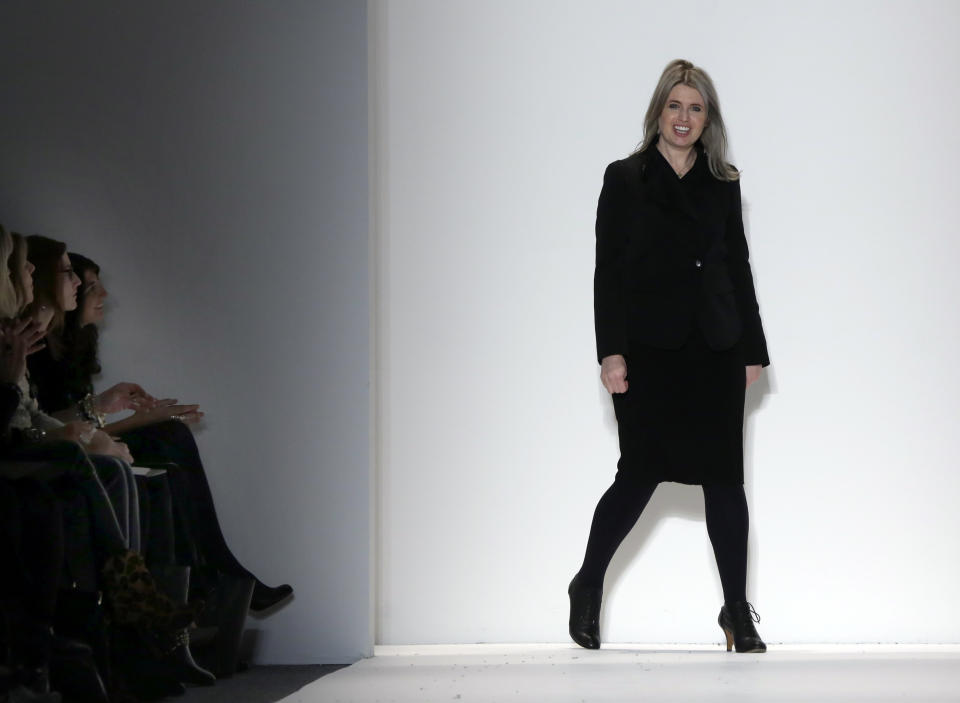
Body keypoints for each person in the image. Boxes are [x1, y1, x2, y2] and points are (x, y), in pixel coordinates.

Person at [569, 59, 770, 653]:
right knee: (637, 476)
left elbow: (738, 265)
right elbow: (609, 273)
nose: (684, 118)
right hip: (652, 351)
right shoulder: (625, 178)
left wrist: (753, 350)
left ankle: (736, 611)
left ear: (708, 118)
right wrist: (611, 353)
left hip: (714, 347)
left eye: (696, 107)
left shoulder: (723, 181)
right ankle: (588, 583)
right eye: (676, 105)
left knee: (726, 482)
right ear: (659, 110)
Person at [28, 252, 293, 613]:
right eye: (85, 283)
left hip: (73, 446)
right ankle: (211, 580)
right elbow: (58, 430)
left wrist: (140, 416)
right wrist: (141, 419)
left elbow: (76, 426)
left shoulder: (71, 346)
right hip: (60, 455)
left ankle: (208, 581)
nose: (98, 292)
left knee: (168, 439)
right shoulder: (37, 350)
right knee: (167, 438)